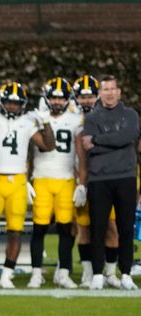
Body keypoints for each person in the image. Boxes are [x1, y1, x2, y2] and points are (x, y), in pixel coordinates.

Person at [0, 82, 54, 288]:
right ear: (2, 102)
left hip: (18, 180)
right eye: (9, 102)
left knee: (15, 230)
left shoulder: (28, 121)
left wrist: (46, 122)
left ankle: (6, 274)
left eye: (16, 103)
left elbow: (47, 145)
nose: (12, 106)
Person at [78, 75, 139, 290]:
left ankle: (126, 273)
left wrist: (99, 140)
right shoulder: (92, 118)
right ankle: (97, 273)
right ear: (100, 93)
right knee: (98, 227)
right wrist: (117, 141)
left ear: (119, 92)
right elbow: (88, 147)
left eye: (113, 89)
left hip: (126, 177)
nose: (110, 93)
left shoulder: (131, 114)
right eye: (106, 89)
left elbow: (129, 136)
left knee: (125, 228)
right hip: (99, 179)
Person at [27, 77, 81, 289]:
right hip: (41, 178)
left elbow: (81, 154)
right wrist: (25, 179)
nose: (57, 102)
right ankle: (35, 273)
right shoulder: (35, 118)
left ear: (68, 99)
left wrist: (81, 181)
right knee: (39, 229)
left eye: (61, 98)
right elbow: (26, 151)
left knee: (66, 229)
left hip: (66, 179)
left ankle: (64, 273)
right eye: (53, 97)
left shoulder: (77, 120)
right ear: (46, 98)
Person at [71, 75, 121, 287]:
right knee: (84, 229)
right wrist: (81, 183)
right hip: (83, 179)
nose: (86, 100)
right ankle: (88, 272)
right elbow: (78, 157)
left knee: (111, 227)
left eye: (90, 95)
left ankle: (110, 272)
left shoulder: (110, 117)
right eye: (82, 96)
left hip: (107, 178)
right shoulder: (71, 120)